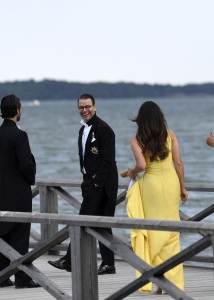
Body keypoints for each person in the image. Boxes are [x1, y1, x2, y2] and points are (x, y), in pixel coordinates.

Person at [48, 93, 118, 275]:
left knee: (82, 220)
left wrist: (95, 184)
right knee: (101, 223)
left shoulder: (105, 129)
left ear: (95, 107)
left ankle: (70, 260)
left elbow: (108, 162)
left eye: (87, 107)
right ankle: (108, 264)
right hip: (90, 182)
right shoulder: (82, 130)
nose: (84, 110)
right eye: (81, 107)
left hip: (103, 184)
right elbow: (85, 159)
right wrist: (85, 179)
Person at [126, 101, 188, 293]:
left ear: (141, 119)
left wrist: (131, 172)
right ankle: (171, 282)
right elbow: (178, 163)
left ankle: (154, 278)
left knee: (153, 232)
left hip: (151, 185)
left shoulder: (137, 139)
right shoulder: (170, 135)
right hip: (171, 183)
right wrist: (183, 187)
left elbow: (142, 166)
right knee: (171, 233)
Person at [0, 94, 39, 288]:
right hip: (18, 189)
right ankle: (22, 276)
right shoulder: (20, 135)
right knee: (19, 232)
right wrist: (29, 178)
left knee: (0, 231)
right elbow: (26, 164)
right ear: (18, 110)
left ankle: (1, 275)